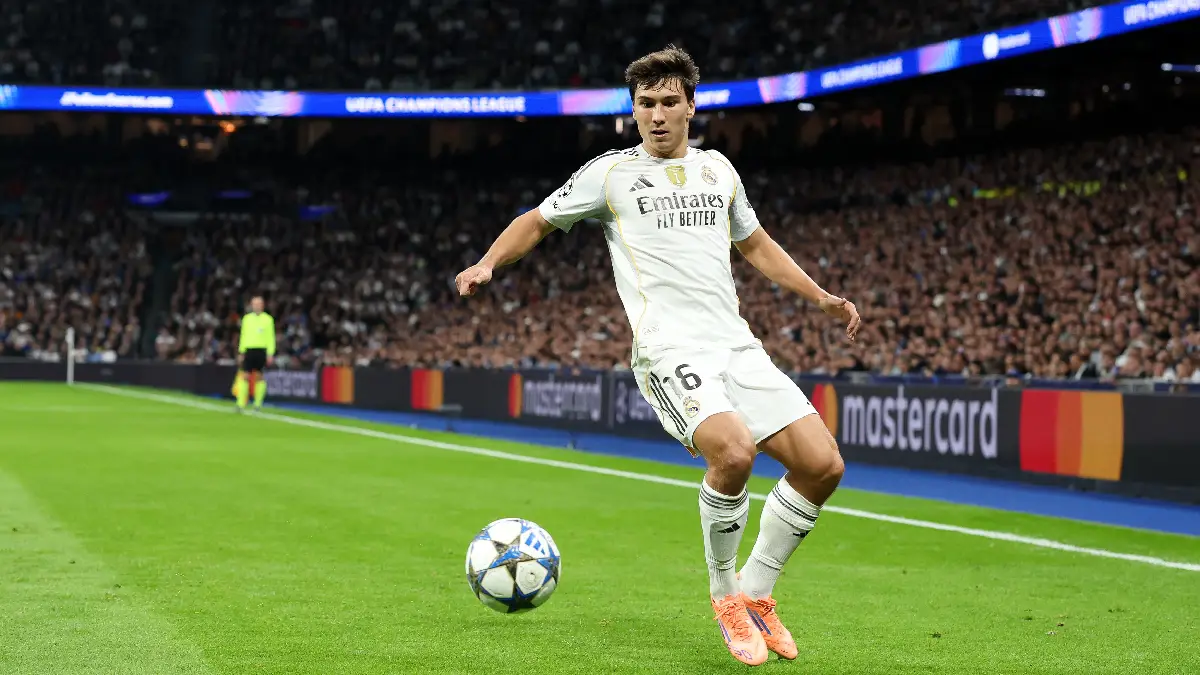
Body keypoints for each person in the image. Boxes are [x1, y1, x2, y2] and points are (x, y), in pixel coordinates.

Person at [455, 45, 860, 666]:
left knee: (822, 466)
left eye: (670, 102)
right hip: (668, 350)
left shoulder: (719, 171)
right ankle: (726, 595)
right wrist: (487, 262)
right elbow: (536, 220)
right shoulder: (610, 174)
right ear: (634, 111)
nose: (658, 114)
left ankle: (758, 590)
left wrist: (822, 297)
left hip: (735, 345)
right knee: (733, 451)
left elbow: (756, 245)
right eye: (646, 103)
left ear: (691, 107)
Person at [233, 295, 276, 412]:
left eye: (259, 304)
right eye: (254, 304)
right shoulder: (247, 319)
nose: (256, 306)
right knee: (244, 376)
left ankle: (257, 404)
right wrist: (241, 351)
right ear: (251, 305)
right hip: (249, 350)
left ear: (263, 305)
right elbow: (243, 336)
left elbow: (270, 337)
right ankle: (241, 404)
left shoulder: (268, 320)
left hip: (261, 350)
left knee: (259, 377)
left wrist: (270, 353)